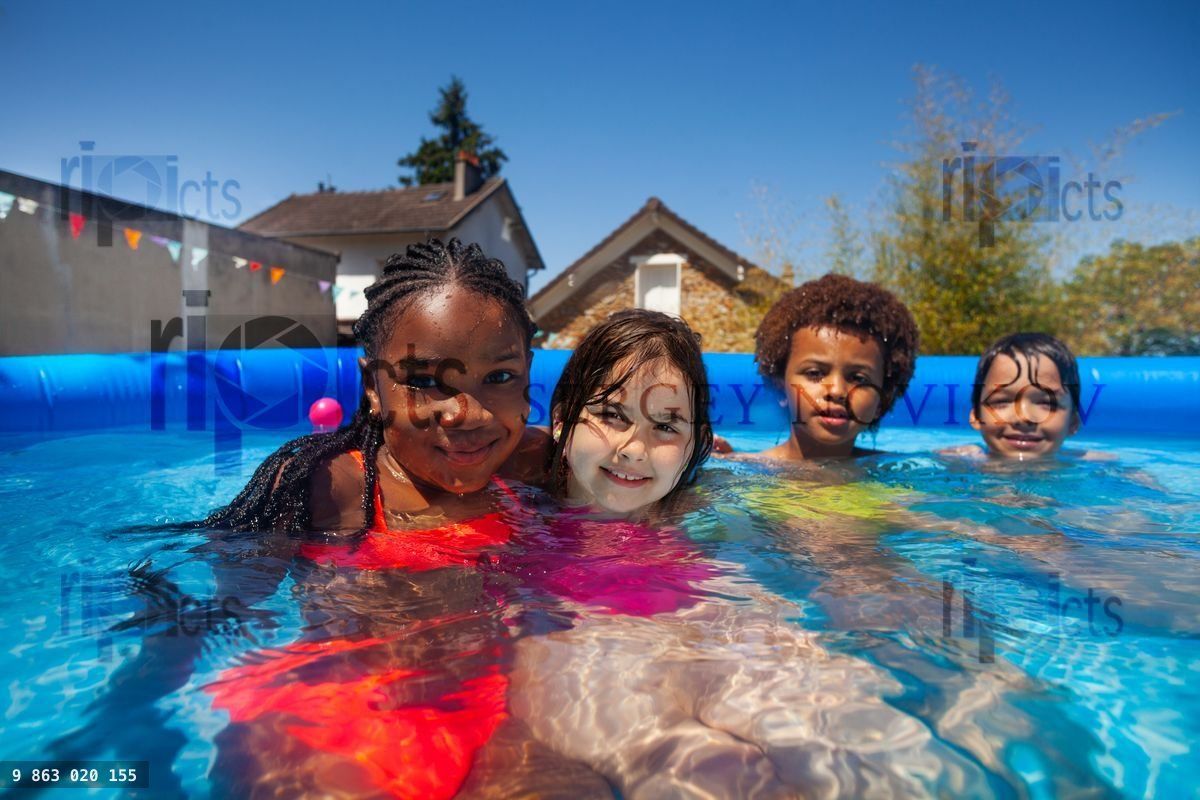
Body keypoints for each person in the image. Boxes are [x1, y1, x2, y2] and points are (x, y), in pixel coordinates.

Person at [203, 237, 547, 534]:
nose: (468, 415)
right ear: (373, 386)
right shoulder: (333, 489)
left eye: (500, 377)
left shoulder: (532, 464)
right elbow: (234, 600)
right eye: (424, 381)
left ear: (528, 373)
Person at [752, 273, 919, 460]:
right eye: (815, 373)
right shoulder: (739, 471)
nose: (837, 391)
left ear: (882, 397)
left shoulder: (900, 471)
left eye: (858, 378)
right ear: (780, 386)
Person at [941, 332, 1110, 461]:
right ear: (976, 416)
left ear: (1073, 422)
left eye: (1046, 403)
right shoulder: (959, 462)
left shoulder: (1096, 468)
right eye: (1002, 401)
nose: (1023, 417)